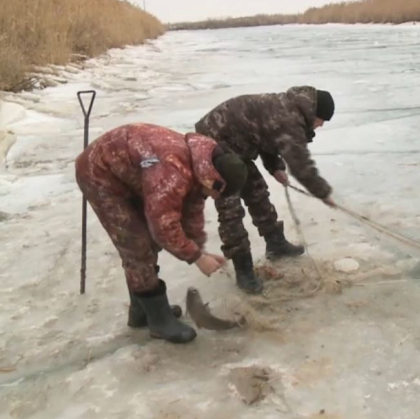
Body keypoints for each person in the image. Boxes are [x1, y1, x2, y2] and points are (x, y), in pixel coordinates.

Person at [75, 123, 248, 343]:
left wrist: (199, 248)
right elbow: (163, 226)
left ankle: (141, 311)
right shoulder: (172, 171)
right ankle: (157, 320)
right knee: (137, 246)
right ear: (214, 180)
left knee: (147, 242)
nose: (215, 199)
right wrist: (196, 257)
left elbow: (192, 207)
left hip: (133, 172)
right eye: (217, 194)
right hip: (100, 175)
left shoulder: (201, 164)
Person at [195, 86, 336, 294]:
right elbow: (300, 164)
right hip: (214, 144)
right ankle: (243, 268)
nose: (321, 125)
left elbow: (264, 136)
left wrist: (275, 167)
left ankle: (276, 243)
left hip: (237, 143)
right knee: (230, 209)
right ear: (314, 112)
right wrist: (322, 192)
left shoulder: (289, 109)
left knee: (257, 192)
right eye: (322, 119)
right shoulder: (288, 117)